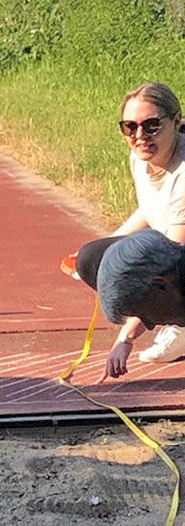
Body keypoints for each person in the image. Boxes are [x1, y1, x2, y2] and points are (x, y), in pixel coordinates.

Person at [77, 229, 185, 526]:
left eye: (147, 314)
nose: (150, 325)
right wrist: (126, 337)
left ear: (161, 284)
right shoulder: (174, 272)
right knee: (88, 256)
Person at [74, 82, 185, 380]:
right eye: (130, 127)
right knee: (91, 260)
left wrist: (125, 338)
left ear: (176, 121)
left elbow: (166, 267)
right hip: (173, 253)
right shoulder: (140, 158)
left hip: (178, 258)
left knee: (147, 272)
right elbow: (150, 210)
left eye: (151, 126)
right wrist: (109, 247)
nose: (139, 136)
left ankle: (178, 325)